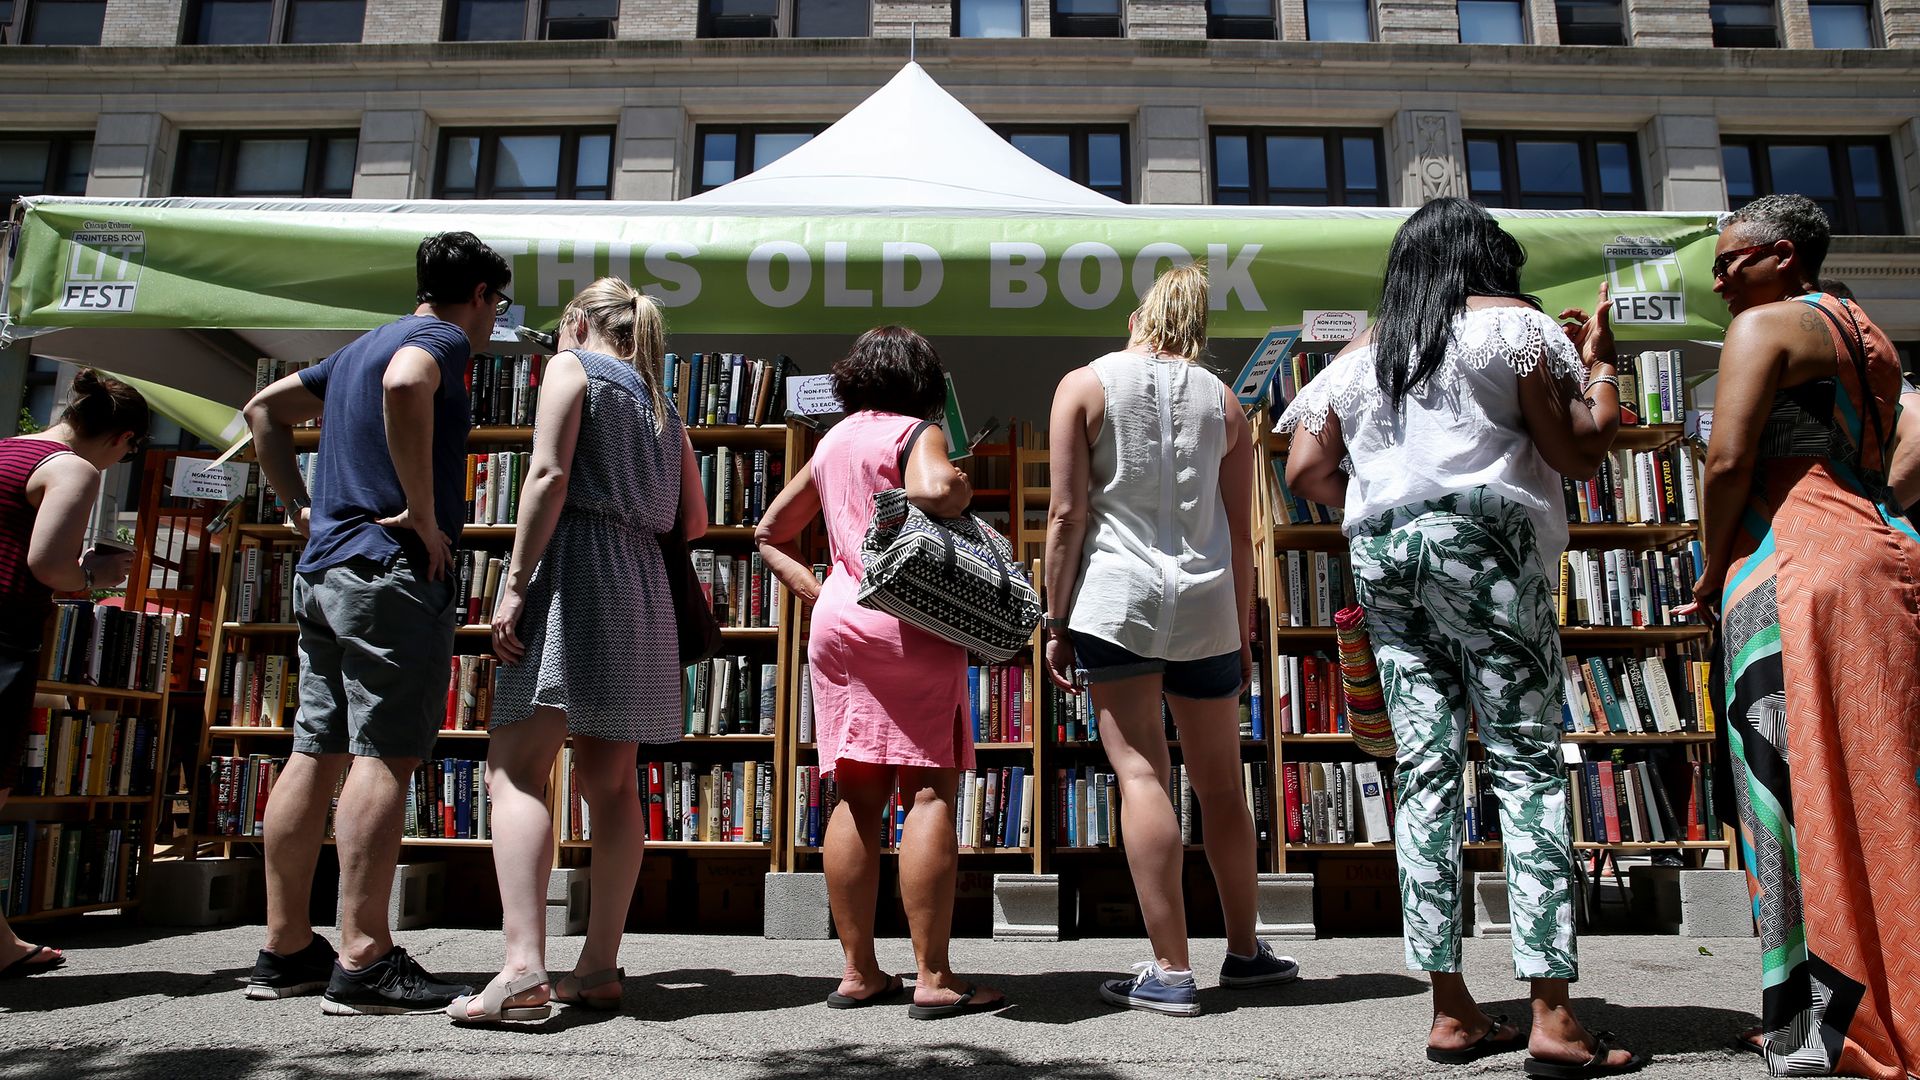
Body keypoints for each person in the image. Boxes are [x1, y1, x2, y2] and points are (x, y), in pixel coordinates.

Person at [1280, 198, 1645, 1076]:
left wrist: (1394, 497)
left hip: (1381, 550)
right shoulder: (1511, 328)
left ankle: (1450, 1010)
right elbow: (1578, 453)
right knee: (1524, 764)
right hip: (1485, 542)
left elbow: (1306, 471)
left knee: (1427, 771)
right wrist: (1601, 368)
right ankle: (1553, 1017)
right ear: (1488, 260)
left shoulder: (1362, 353)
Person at [241, 230, 509, 1015]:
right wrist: (423, 515)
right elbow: (406, 386)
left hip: (324, 570)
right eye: (495, 307)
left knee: (313, 749)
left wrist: (299, 506)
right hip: (388, 571)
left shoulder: (359, 345)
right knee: (384, 754)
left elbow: (263, 411)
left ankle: (286, 947)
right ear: (483, 296)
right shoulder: (438, 339)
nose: (492, 322)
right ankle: (363, 957)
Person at [1689, 194, 1919, 1079]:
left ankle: (1814, 1025)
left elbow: (1727, 461)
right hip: (1880, 552)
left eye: (1731, 261)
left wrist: (1711, 569)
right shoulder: (1868, 335)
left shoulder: (1768, 326)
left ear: (1783, 255)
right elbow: (1905, 454)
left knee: (1784, 788)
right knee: (1882, 781)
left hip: (1793, 563)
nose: (1719, 280)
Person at [1039, 263, 1299, 1018]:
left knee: (1141, 775)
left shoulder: (1084, 385)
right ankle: (1246, 953)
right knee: (1221, 785)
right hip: (1209, 605)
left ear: (1136, 319)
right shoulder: (1226, 403)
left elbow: (1065, 516)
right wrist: (1247, 630)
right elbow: (1245, 533)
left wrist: (1056, 622)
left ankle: (1171, 969)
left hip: (1116, 600)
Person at [449, 278, 706, 1023]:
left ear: (579, 323)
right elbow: (691, 521)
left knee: (516, 767)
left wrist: (514, 583)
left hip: (577, 570)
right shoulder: (664, 406)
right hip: (642, 586)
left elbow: (548, 475)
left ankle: (524, 968)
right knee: (613, 783)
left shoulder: (573, 368)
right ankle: (597, 967)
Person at [755, 326, 1006, 1020]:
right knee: (927, 793)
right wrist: (956, 479)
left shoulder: (833, 439)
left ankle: (860, 971)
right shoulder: (915, 431)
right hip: (908, 621)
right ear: (921, 382)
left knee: (856, 796)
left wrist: (819, 590)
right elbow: (934, 493)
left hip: (838, 622)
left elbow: (769, 532)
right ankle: (933, 978)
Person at [0, 369, 146, 978]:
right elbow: (47, 564)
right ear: (123, 440)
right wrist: (96, 576)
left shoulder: (9, 449)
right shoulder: (72, 468)